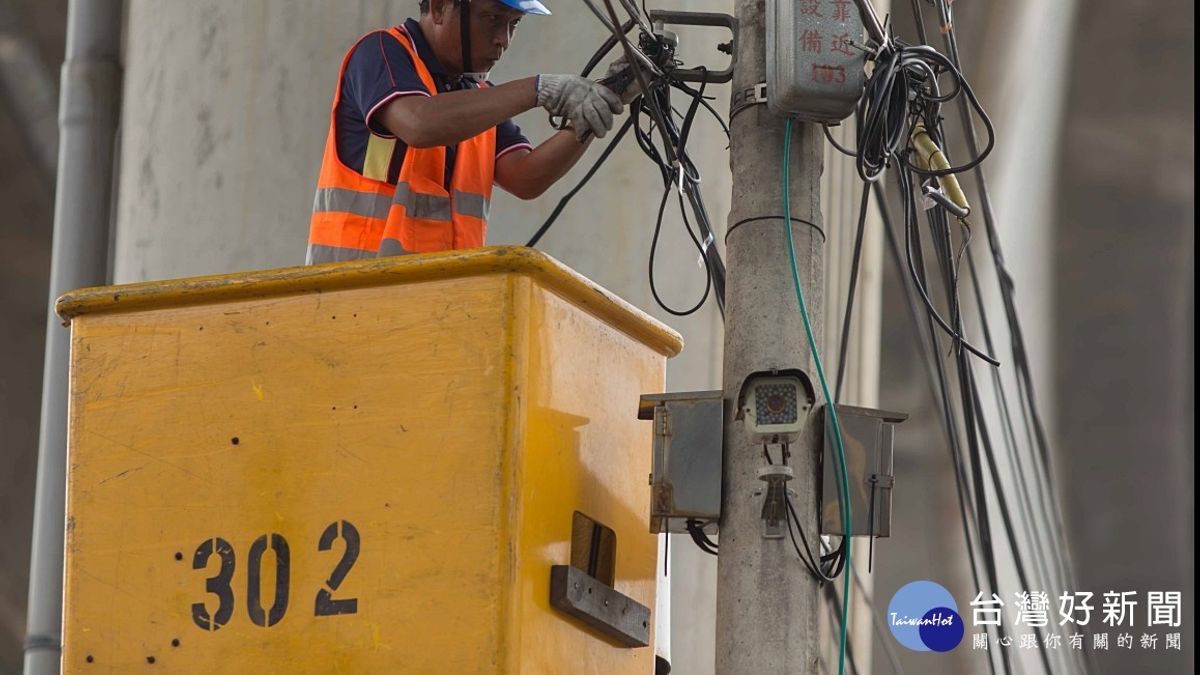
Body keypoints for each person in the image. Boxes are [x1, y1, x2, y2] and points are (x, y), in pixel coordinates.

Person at [307, 0, 625, 264]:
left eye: (514, 24)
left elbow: (526, 178)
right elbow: (418, 123)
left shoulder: (477, 98)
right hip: (352, 296)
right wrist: (537, 89)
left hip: (440, 301)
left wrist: (601, 104)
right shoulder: (381, 53)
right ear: (440, 7)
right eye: (492, 18)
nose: (504, 40)